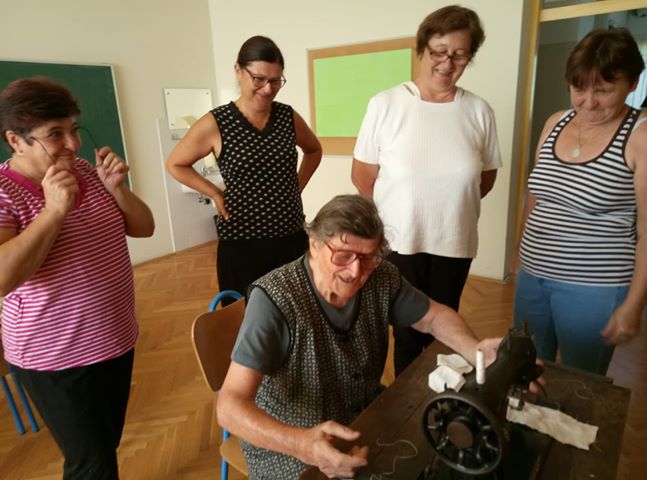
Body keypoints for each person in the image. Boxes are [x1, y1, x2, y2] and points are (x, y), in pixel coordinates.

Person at [217, 194, 502, 479]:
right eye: (343, 256)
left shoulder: (381, 277)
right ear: (314, 245)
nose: (355, 272)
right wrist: (302, 444)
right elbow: (229, 407)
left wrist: (474, 349)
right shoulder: (276, 300)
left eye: (367, 257)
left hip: (362, 414)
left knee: (433, 450)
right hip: (291, 441)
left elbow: (434, 316)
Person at [0, 77, 154, 478]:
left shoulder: (86, 170)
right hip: (54, 355)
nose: (72, 144)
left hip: (114, 338)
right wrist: (54, 211)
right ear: (15, 140)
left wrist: (118, 189)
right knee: (90, 463)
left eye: (73, 129)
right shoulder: (4, 191)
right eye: (55, 134)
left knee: (106, 443)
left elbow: (144, 227)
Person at [351, 5, 502, 376]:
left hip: (455, 243)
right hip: (400, 243)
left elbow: (483, 180)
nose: (447, 63)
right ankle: (408, 401)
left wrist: (450, 203)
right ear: (421, 50)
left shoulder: (479, 111)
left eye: (460, 54)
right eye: (439, 51)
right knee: (405, 333)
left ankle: (437, 394)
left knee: (445, 331)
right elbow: (363, 177)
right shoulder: (385, 104)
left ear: (470, 57)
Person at [513, 28, 647, 375]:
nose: (588, 102)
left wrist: (634, 305)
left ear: (633, 83)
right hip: (533, 274)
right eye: (578, 88)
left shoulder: (640, 137)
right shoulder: (555, 122)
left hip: (595, 286)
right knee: (525, 368)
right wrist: (519, 255)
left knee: (580, 381)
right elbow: (536, 195)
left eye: (603, 90)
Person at [167, 35, 322, 299]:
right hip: (242, 243)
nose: (268, 89)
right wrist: (215, 193)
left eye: (276, 81)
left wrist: (296, 186)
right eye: (259, 79)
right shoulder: (217, 123)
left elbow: (314, 150)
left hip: (290, 237)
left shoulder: (287, 117)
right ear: (238, 71)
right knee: (246, 315)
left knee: (294, 310)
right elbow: (176, 164)